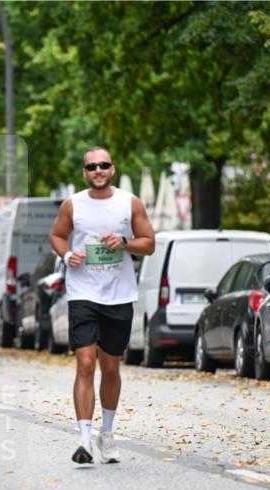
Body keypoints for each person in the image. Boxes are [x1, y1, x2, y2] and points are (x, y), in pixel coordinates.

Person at [49, 146, 155, 465]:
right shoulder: (73, 205)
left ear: (112, 169)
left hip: (119, 295)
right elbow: (56, 236)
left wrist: (124, 243)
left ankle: (106, 434)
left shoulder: (128, 203)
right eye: (91, 166)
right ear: (84, 172)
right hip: (83, 293)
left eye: (103, 165)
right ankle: (84, 439)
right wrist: (68, 256)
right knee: (84, 362)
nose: (98, 170)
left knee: (110, 367)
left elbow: (149, 242)